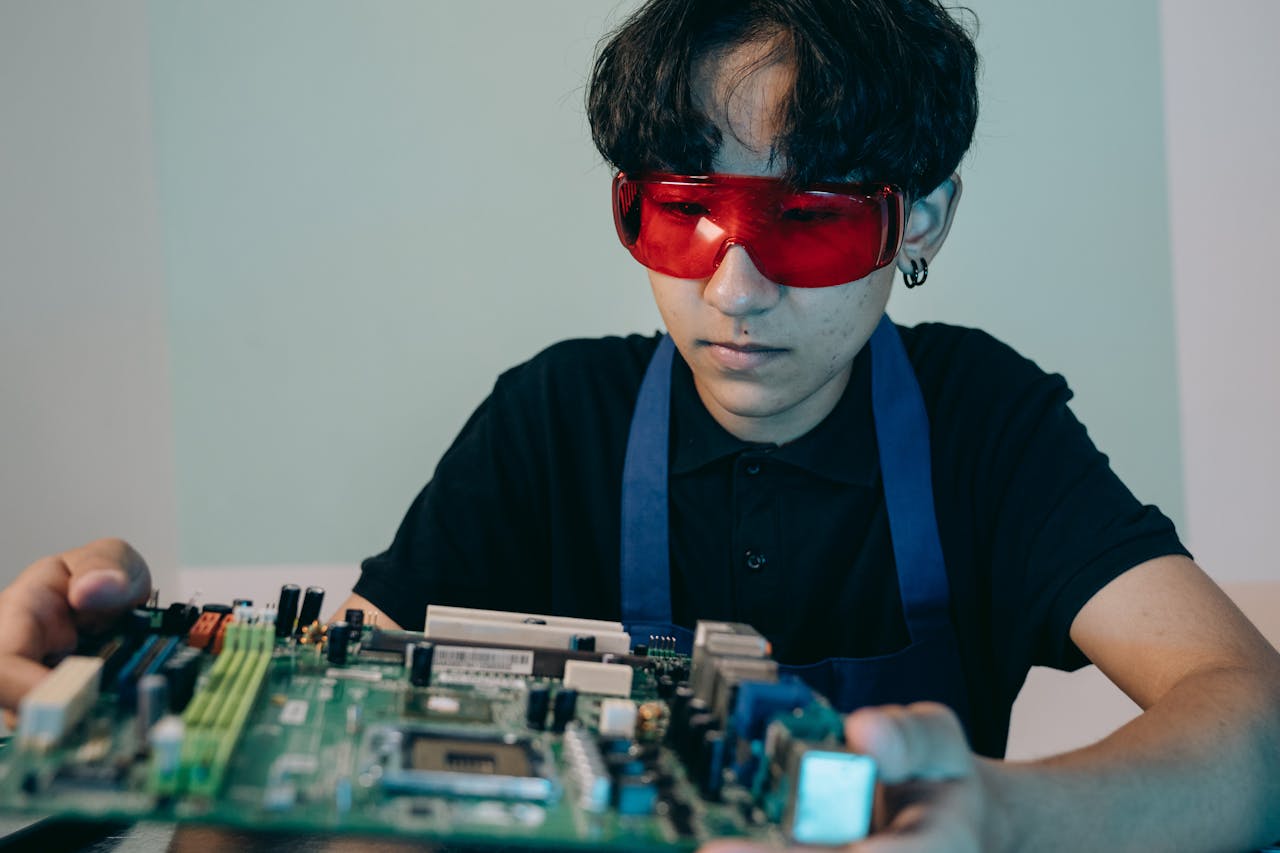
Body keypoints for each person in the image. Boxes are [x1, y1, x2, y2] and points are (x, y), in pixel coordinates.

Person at [2, 1, 1278, 850]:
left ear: (921, 220)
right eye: (679, 213)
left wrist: (993, 817)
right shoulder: (552, 416)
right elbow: (313, 733)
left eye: (810, 220)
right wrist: (138, 687)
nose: (732, 291)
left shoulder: (979, 423)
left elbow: (1248, 718)